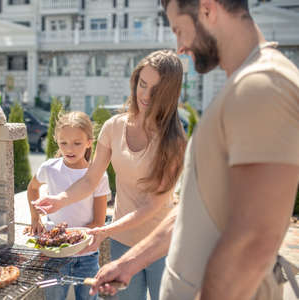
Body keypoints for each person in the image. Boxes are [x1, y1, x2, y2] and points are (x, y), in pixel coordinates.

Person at [89, 0, 299, 299]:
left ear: (208, 9)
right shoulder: (243, 85)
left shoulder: (262, 86)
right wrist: (129, 262)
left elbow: (255, 239)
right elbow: (196, 209)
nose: (181, 47)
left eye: (179, 30)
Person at [33, 50, 187, 300]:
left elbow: (153, 205)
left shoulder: (174, 141)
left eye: (155, 90)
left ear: (169, 93)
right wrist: (60, 199)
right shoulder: (113, 127)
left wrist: (105, 229)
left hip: (163, 244)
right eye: (142, 84)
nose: (145, 95)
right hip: (122, 242)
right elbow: (90, 180)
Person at [26, 111, 111, 300]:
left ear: (89, 142)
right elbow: (32, 188)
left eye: (77, 143)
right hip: (54, 256)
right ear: (56, 141)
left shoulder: (98, 176)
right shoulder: (49, 168)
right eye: (63, 143)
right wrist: (35, 217)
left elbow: (98, 221)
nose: (69, 149)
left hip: (87, 256)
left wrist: (68, 240)